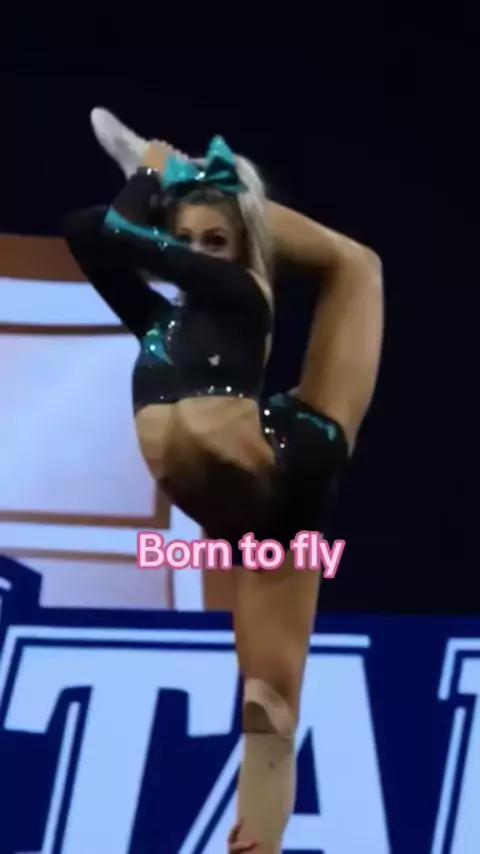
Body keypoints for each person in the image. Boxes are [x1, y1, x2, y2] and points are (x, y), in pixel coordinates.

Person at [64, 122, 383, 854]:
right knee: (270, 711)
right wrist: (163, 188)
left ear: (242, 255)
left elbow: (117, 232)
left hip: (288, 460)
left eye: (217, 241)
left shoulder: (241, 293)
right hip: (262, 519)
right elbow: (84, 230)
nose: (200, 253)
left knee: (357, 265)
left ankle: (239, 197)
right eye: (188, 240)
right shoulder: (159, 323)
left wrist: (153, 173)